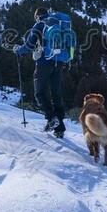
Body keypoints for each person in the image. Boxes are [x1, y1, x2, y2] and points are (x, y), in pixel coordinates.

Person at [13, 7, 66, 137]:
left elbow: (29, 46)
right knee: (56, 94)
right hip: (59, 62)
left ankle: (52, 118)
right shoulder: (58, 23)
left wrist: (18, 50)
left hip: (44, 63)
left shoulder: (39, 25)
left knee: (39, 93)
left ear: (37, 16)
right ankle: (59, 128)